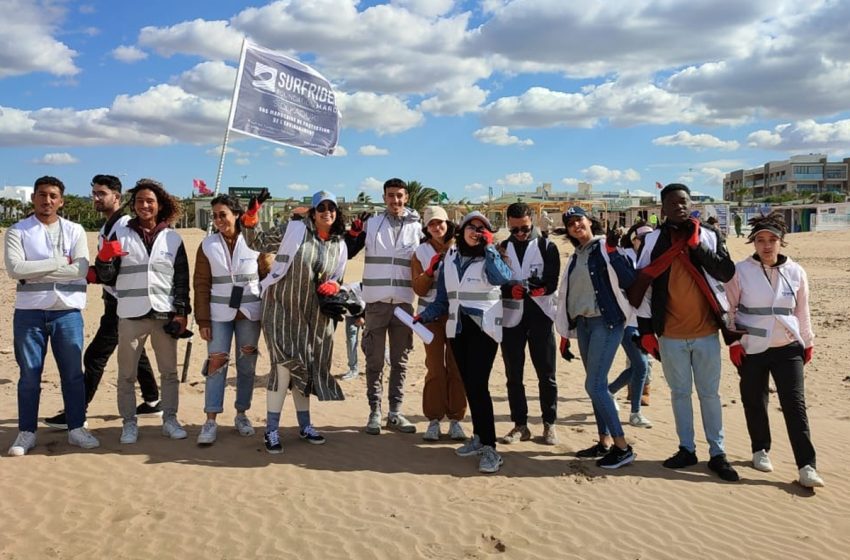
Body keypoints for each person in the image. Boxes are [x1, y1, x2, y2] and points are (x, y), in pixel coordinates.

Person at [628, 183, 740, 482]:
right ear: (662, 208)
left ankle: (718, 454)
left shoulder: (709, 234)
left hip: (706, 332)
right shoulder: (653, 241)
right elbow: (644, 286)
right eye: (673, 202)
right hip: (670, 335)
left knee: (709, 395)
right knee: (680, 395)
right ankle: (687, 449)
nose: (680, 206)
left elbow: (726, 272)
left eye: (685, 201)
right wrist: (647, 332)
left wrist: (696, 246)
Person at [44, 174, 161, 429]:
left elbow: (116, 270)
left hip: (123, 303)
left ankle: (77, 412)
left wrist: (87, 272)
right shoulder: (110, 225)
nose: (95, 198)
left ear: (116, 197)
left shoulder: (124, 225)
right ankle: (153, 401)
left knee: (95, 356)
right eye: (94, 193)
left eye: (101, 193)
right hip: (116, 300)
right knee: (134, 350)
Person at [245, 190, 348, 453]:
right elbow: (256, 242)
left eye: (331, 207)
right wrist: (251, 216)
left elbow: (338, 278)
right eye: (321, 207)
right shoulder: (293, 230)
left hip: (314, 317)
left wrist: (334, 285)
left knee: (304, 369)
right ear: (313, 212)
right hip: (281, 310)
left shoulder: (339, 244)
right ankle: (271, 431)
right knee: (283, 369)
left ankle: (305, 426)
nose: (327, 211)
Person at [726, 212, 824, 488]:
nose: (767, 245)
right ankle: (760, 449)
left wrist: (808, 340)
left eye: (772, 240)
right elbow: (729, 310)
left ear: (781, 242)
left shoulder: (796, 271)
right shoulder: (740, 271)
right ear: (753, 243)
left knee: (795, 405)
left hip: (788, 347)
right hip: (752, 348)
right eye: (761, 240)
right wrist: (733, 343)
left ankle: (807, 466)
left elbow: (802, 310)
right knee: (755, 401)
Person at [5, 176, 100, 456]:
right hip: (29, 311)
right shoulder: (17, 231)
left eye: (53, 196)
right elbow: (15, 269)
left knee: (72, 374)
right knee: (29, 375)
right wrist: (60, 262)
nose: (47, 201)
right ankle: (26, 432)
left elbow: (81, 270)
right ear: (34, 197)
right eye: (42, 195)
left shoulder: (75, 230)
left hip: (67, 311)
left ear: (61, 200)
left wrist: (36, 269)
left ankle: (76, 428)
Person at [95, 179, 191, 444]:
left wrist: (182, 312)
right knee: (126, 374)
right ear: (133, 205)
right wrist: (103, 260)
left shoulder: (173, 238)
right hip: (130, 315)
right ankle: (129, 423)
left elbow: (181, 280)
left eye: (150, 201)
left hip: (164, 315)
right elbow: (108, 277)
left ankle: (170, 420)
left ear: (160, 205)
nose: (145, 205)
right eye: (139, 201)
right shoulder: (121, 233)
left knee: (169, 373)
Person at [416, 212, 513, 473]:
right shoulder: (451, 256)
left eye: (483, 228)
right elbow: (444, 299)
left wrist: (491, 248)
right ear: (462, 230)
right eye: (473, 226)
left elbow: (502, 278)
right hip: (457, 328)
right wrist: (425, 315)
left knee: (479, 386)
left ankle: (491, 449)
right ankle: (479, 438)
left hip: (484, 328)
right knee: (470, 385)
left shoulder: (493, 254)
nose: (477, 232)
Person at [554, 207, 637, 469]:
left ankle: (622, 447)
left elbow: (628, 278)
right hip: (585, 324)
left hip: (606, 321)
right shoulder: (576, 255)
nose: (576, 225)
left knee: (596, 385)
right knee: (594, 385)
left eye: (579, 219)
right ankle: (603, 442)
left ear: (590, 221)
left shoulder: (605, 247)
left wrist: (613, 251)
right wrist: (566, 331)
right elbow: (569, 294)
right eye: (570, 223)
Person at [346, 178, 421, 435]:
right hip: (376, 305)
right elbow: (347, 250)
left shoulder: (418, 227)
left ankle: (395, 412)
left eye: (399, 195)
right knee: (375, 361)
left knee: (400, 362)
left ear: (406, 197)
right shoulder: (372, 224)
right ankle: (374, 412)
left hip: (403, 305)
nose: (395, 200)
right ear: (384, 197)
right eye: (390, 195)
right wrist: (353, 234)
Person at [193, 194, 266, 445]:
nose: (218, 220)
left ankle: (242, 414)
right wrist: (202, 320)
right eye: (214, 216)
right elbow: (201, 284)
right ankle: (211, 419)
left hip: (249, 313)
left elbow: (268, 275)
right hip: (218, 314)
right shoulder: (207, 245)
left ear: (236, 214)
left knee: (247, 364)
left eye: (222, 214)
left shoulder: (254, 240)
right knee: (216, 364)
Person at [497, 203, 561, 445]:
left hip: (541, 316)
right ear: (508, 225)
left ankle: (549, 423)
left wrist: (538, 288)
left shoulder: (547, 246)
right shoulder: (502, 248)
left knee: (546, 374)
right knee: (514, 374)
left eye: (524, 228)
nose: (521, 234)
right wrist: (508, 289)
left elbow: (553, 280)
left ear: (532, 221)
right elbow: (495, 280)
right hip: (512, 318)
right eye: (515, 230)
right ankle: (520, 425)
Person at [411, 206, 467, 442]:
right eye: (431, 224)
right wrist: (429, 272)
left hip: (456, 314)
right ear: (426, 227)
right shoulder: (420, 252)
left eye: (440, 222)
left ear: (448, 223)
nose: (437, 227)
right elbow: (418, 288)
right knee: (434, 367)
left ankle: (456, 420)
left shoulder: (461, 246)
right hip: (429, 317)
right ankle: (434, 420)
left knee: (457, 366)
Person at [608, 223, 653, 426]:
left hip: (648, 322)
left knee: (639, 366)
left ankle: (610, 391)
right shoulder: (624, 256)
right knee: (641, 366)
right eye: (640, 238)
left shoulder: (655, 258)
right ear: (633, 239)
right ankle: (635, 412)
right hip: (628, 321)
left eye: (649, 239)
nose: (644, 242)